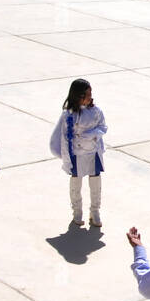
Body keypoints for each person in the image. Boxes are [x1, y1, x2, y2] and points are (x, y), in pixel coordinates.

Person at [49, 78, 107, 228]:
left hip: (92, 152)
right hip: (77, 154)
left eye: (90, 93)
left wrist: (93, 134)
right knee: (76, 181)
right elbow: (65, 139)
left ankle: (95, 211)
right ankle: (77, 211)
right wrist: (67, 160)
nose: (90, 97)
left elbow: (103, 127)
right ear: (78, 96)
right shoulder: (69, 115)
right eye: (86, 94)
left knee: (95, 180)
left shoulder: (96, 111)